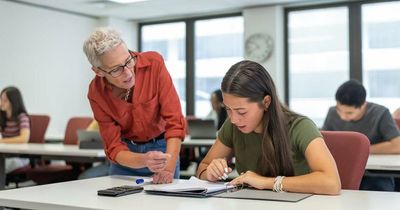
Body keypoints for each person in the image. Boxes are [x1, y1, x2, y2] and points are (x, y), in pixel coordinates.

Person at [196, 60, 341, 195]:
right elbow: (203, 168)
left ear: (266, 102)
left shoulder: (300, 127)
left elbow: (331, 182)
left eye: (241, 112)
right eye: (227, 109)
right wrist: (209, 173)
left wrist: (266, 182)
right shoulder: (232, 126)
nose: (233, 119)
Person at [83, 27, 186, 184]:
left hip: (164, 151)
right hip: (126, 157)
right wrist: (143, 159)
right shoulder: (96, 93)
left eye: (128, 61)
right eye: (116, 69)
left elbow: (175, 122)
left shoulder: (154, 64)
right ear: (98, 71)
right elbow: (113, 147)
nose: (128, 73)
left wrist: (168, 169)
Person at [322, 79, 400, 191]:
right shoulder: (332, 112)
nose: (343, 117)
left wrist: (359, 151)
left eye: (349, 113)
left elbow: (397, 145)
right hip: (341, 169)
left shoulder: (380, 113)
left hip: (373, 174)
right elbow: (324, 141)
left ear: (363, 105)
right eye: (339, 110)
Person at [0, 86, 30, 174]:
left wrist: (2, 141)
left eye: (4, 100)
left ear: (13, 102)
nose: (1, 103)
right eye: (1, 99)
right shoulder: (2, 118)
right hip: (4, 156)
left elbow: (24, 138)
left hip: (19, 158)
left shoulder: (22, 117)